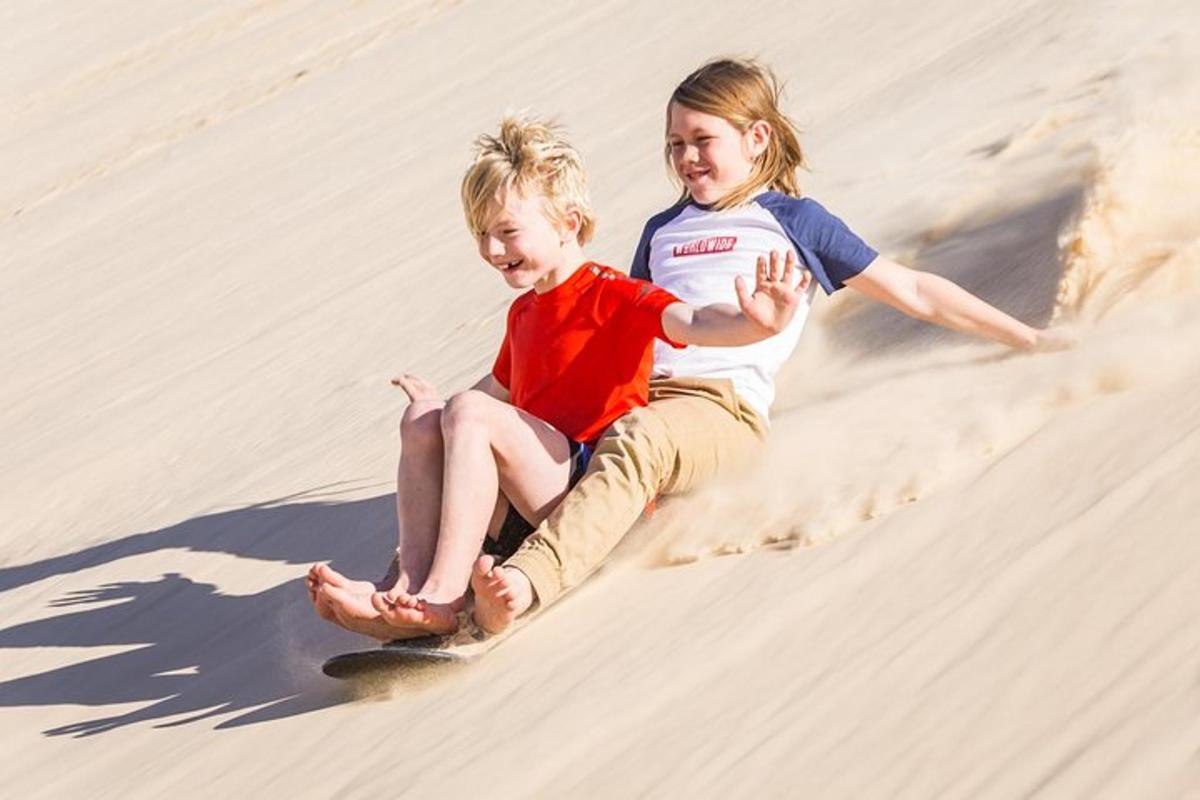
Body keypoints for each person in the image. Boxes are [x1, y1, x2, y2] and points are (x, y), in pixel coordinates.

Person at [465, 58, 1073, 635]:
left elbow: (913, 289)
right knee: (540, 434)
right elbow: (623, 326)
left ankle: (530, 578)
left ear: (755, 138)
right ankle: (445, 586)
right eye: (675, 143)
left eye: (703, 140)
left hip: (718, 413)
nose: (686, 157)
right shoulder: (663, 230)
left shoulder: (793, 222)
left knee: (638, 439)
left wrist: (1027, 336)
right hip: (643, 402)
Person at [309, 114, 807, 640]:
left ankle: (443, 594)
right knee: (425, 419)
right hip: (530, 495)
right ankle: (405, 582)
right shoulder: (523, 314)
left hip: (591, 493)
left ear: (569, 223)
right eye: (481, 234)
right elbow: (492, 396)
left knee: (466, 412)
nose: (492, 250)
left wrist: (754, 324)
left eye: (507, 232)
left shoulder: (616, 295)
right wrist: (427, 417)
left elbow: (695, 322)